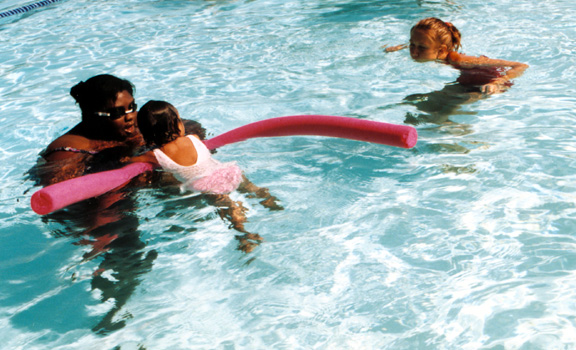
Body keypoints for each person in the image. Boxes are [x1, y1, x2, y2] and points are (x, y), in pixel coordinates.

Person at [131, 100, 283, 252]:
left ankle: (244, 235)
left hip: (207, 186)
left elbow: (132, 161)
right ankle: (267, 200)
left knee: (228, 207)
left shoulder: (155, 155)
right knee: (249, 187)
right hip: (227, 171)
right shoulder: (194, 138)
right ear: (178, 124)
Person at [383, 17, 529, 126]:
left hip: (486, 86)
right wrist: (400, 47)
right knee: (413, 101)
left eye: (421, 48)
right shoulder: (436, 52)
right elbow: (420, 42)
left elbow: (520, 65)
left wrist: (498, 82)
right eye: (411, 44)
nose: (414, 52)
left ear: (442, 50)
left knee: (439, 117)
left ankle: (464, 144)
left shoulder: (459, 60)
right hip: (465, 82)